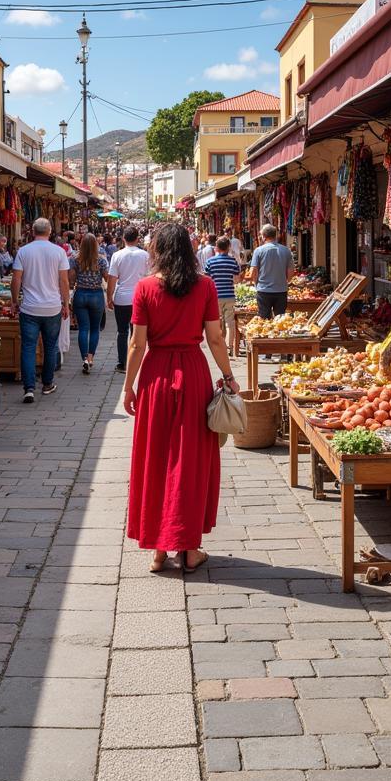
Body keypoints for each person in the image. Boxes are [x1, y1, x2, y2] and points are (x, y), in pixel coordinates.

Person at [123, 222, 239, 573]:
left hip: (156, 377)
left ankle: (159, 549)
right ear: (190, 250)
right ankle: (189, 548)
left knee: (156, 457)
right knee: (190, 460)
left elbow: (136, 344)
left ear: (157, 251)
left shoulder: (144, 288)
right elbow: (216, 339)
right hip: (192, 372)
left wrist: (128, 387)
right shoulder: (204, 286)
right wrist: (229, 377)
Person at [11, 218, 71, 403]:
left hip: (29, 307)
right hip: (52, 307)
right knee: (50, 346)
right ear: (50, 231)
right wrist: (66, 304)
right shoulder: (58, 252)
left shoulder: (24, 251)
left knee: (28, 347)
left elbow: (16, 280)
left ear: (33, 232)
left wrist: (14, 301)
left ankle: (29, 388)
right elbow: (64, 281)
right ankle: (47, 384)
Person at [107, 225, 149, 373]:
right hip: (141, 298)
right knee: (137, 332)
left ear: (123, 238)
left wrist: (109, 297)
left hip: (122, 298)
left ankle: (122, 363)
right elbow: (150, 277)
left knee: (122, 331)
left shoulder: (117, 255)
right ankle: (136, 361)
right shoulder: (145, 255)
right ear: (138, 238)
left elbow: (112, 278)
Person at [69, 233, 108, 374]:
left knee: (83, 328)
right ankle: (91, 358)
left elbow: (71, 280)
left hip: (80, 294)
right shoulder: (101, 260)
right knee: (95, 329)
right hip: (96, 295)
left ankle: (84, 358)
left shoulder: (74, 259)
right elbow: (107, 278)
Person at [205, 236, 242, 356]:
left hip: (215, 296)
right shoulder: (232, 261)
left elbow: (207, 280)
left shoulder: (210, 262)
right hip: (229, 294)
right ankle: (229, 346)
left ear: (217, 247)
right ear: (228, 247)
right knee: (229, 322)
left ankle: (219, 345)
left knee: (218, 321)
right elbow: (236, 278)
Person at [249, 223, 295, 319]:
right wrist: (285, 282)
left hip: (263, 290)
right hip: (281, 291)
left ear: (264, 236)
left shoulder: (258, 251)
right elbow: (291, 272)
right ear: (275, 235)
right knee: (280, 320)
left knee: (264, 320)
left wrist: (256, 283)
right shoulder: (286, 250)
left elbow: (253, 271)